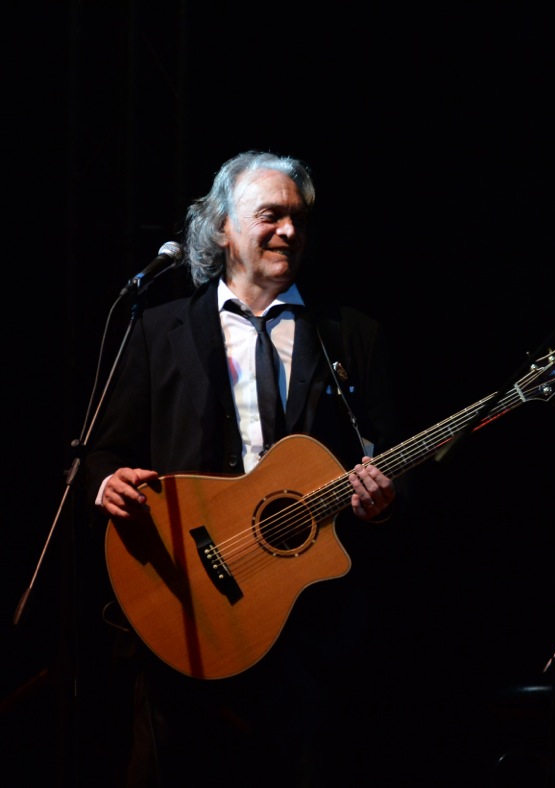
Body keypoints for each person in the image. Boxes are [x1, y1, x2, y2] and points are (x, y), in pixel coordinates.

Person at [85, 151, 403, 787]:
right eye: (270, 216)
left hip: (307, 618)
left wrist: (384, 498)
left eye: (297, 219)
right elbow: (101, 450)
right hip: (186, 605)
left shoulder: (350, 336)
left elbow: (390, 455)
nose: (288, 231)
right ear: (224, 228)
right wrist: (108, 479)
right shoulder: (156, 330)